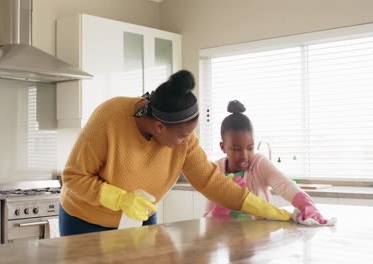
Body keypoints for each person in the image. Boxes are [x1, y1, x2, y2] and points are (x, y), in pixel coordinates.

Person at [59, 70, 292, 236]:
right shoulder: (109, 118)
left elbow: (209, 180)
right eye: (182, 135)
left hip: (139, 218)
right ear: (159, 127)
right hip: (86, 221)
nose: (187, 141)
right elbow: (73, 178)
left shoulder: (183, 138)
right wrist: (120, 199)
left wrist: (262, 207)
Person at [204, 100, 327, 224]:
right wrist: (222, 207)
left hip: (260, 236)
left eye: (250, 147)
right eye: (236, 149)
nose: (244, 155)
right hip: (226, 237)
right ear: (223, 147)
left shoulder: (259, 164)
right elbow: (206, 220)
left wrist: (306, 205)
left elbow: (286, 186)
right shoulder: (215, 171)